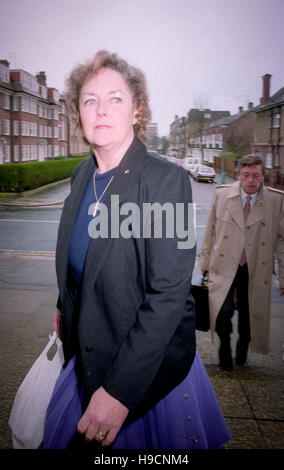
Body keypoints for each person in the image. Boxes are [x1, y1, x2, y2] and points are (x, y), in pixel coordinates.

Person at [40, 50, 231, 450]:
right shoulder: (80, 176)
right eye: (90, 100)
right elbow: (83, 257)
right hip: (87, 353)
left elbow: (169, 298)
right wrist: (65, 303)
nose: (101, 109)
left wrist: (120, 393)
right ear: (78, 112)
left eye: (116, 98)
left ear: (137, 111)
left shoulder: (168, 182)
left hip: (142, 369)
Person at [198, 155, 284, 371]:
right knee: (222, 311)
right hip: (224, 264)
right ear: (239, 175)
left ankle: (242, 355)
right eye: (246, 175)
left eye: (256, 175)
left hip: (255, 268)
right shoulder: (223, 195)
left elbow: (282, 242)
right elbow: (211, 231)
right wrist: (204, 261)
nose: (251, 180)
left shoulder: (275, 201)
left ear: (262, 176)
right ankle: (224, 351)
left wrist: (283, 277)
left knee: (249, 314)